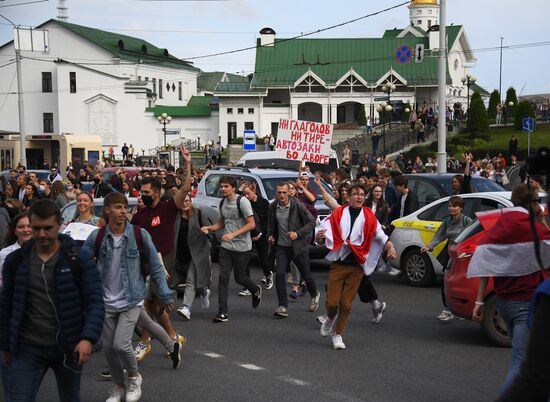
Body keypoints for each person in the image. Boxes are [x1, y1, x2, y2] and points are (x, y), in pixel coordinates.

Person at [0, 200, 104, 401]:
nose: (41, 234)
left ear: (59, 224)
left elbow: (94, 301)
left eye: (48, 228)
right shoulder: (16, 261)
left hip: (68, 347)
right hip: (26, 348)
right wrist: (5, 345)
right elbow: (6, 305)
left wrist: (87, 338)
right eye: (36, 228)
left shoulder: (78, 259)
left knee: (70, 397)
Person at [82, 192, 175, 402]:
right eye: (118, 207)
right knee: (108, 348)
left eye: (125, 207)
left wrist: (165, 293)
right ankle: (118, 386)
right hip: (105, 301)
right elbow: (81, 263)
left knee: (121, 345)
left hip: (131, 299)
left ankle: (134, 377)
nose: (123, 211)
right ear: (107, 210)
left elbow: (156, 266)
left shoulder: (139, 235)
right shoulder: (97, 237)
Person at [470, 184, 549, 394]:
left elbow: (485, 260)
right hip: (525, 302)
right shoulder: (532, 227)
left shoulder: (501, 223)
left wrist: (479, 301)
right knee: (520, 363)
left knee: (520, 358)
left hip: (503, 302)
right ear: (532, 204)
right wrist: (541, 222)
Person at [316, 184, 396, 349]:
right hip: (338, 265)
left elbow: (380, 236)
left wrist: (391, 247)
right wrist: (320, 237)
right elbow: (322, 232)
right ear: (348, 197)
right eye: (355, 194)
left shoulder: (369, 216)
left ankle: (337, 334)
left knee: (346, 304)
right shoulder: (338, 213)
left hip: (357, 267)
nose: (359, 197)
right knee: (332, 304)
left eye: (362, 194)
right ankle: (330, 318)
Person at [131, 145, 190, 359]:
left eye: (146, 193)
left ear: (156, 193)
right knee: (156, 308)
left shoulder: (168, 207)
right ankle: (174, 339)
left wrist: (188, 163)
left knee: (146, 304)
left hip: (164, 261)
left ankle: (145, 342)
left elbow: (185, 188)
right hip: (144, 262)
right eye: (141, 192)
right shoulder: (139, 215)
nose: (142, 195)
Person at [201, 176, 262, 322]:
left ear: (234, 188)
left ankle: (255, 289)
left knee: (240, 278)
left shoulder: (242, 202)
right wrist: (209, 228)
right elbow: (221, 223)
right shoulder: (223, 203)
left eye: (226, 186)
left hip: (242, 246)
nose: (223, 189)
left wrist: (233, 234)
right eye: (221, 186)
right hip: (226, 247)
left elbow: (251, 224)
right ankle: (222, 312)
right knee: (223, 278)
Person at [267, 182, 320, 318]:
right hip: (282, 247)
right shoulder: (273, 206)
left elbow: (312, 222)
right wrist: (270, 236)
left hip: (298, 247)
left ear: (289, 193)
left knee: (306, 275)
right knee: (279, 274)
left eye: (285, 192)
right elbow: (270, 225)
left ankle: (314, 294)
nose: (282, 195)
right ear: (276, 193)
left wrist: (298, 233)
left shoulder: (297, 205)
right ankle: (282, 306)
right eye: (279, 192)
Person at [420, 196, 473, 321]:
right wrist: (429, 246)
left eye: (455, 206)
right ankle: (447, 309)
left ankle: (463, 310)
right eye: (450, 206)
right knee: (447, 282)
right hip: (451, 255)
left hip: (464, 256)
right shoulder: (447, 221)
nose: (452, 208)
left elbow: (472, 238)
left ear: (461, 208)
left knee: (464, 283)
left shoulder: (467, 221)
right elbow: (439, 236)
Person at [175, 194, 212, 320]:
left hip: (196, 253)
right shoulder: (176, 216)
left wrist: (206, 232)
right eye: (182, 201)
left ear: (191, 201)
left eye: (187, 201)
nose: (185, 203)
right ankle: (204, 292)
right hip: (180, 253)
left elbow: (209, 230)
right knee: (197, 284)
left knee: (191, 280)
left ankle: (186, 308)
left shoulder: (199, 214)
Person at [242, 182, 273, 290]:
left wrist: (261, 234)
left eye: (248, 193)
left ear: (254, 191)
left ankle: (268, 274)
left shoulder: (264, 203)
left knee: (263, 259)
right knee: (245, 260)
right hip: (248, 234)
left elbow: (267, 221)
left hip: (262, 234)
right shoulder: (244, 202)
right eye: (244, 194)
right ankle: (247, 286)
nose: (246, 196)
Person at [0, 212, 32, 290]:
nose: (25, 230)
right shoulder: (5, 253)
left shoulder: (45, 251)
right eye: (21, 227)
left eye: (29, 226)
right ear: (15, 231)